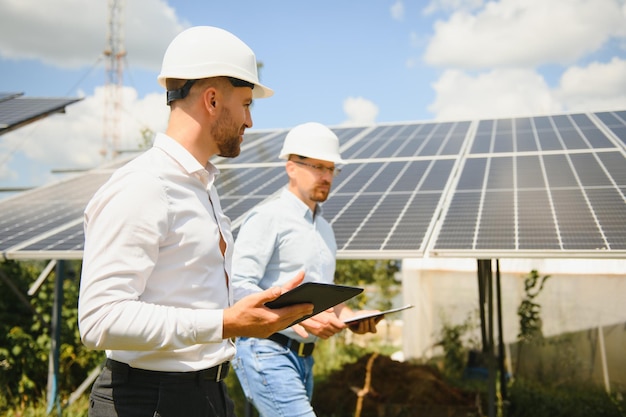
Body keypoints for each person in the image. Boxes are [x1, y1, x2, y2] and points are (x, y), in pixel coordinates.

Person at [78, 26, 314, 417]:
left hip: (206, 394)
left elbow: (189, 294)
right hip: (149, 401)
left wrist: (258, 308)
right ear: (211, 100)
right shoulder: (145, 185)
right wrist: (226, 323)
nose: (250, 121)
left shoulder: (201, 185)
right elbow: (100, 319)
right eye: (246, 104)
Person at [231, 122, 382, 417]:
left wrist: (351, 318)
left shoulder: (324, 230)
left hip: (304, 358)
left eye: (331, 169)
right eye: (318, 167)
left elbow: (320, 300)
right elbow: (237, 286)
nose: (327, 177)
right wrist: (292, 317)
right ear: (291, 167)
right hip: (266, 350)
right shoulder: (267, 217)